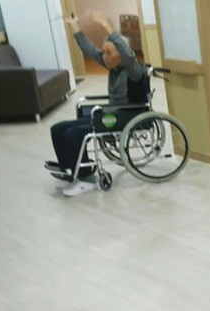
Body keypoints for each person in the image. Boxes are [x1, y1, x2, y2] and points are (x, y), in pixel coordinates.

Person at [46, 13, 147, 197]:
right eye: (104, 51)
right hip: (109, 114)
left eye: (109, 53)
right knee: (58, 128)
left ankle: (87, 179)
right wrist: (74, 25)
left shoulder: (134, 70)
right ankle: (70, 172)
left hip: (125, 116)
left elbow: (128, 55)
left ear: (121, 55)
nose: (104, 56)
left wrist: (107, 26)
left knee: (73, 134)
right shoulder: (113, 65)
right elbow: (89, 50)